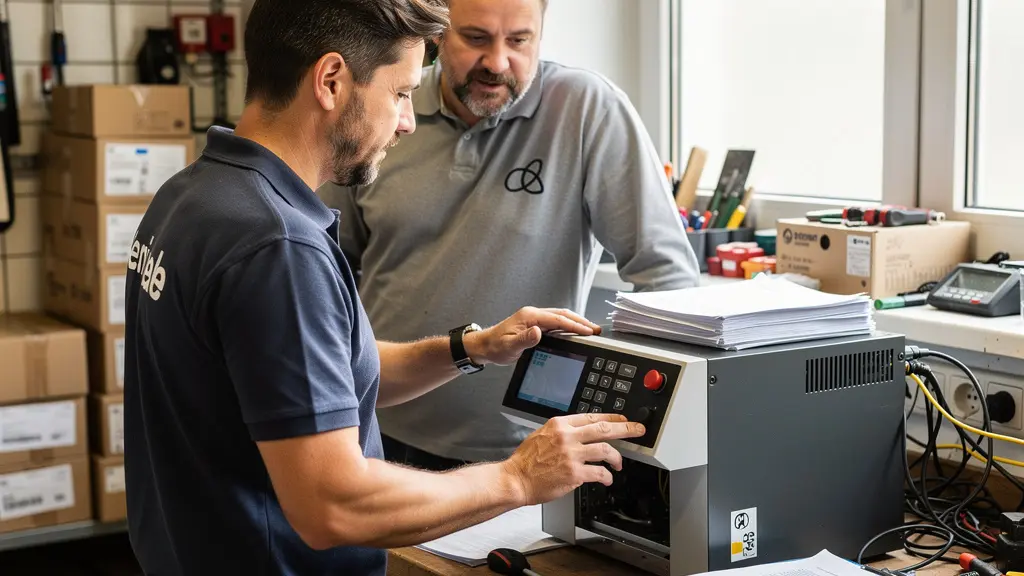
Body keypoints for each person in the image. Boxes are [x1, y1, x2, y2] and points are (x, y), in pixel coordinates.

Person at [122, 1, 646, 574]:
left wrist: (470, 349)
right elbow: (334, 505)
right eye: (399, 93)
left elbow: (321, 380)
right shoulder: (278, 247)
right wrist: (518, 477)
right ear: (330, 81)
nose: (406, 121)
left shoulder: (191, 197)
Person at [319, 0, 701, 469]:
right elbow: (326, 267)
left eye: (519, 41)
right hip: (379, 428)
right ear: (439, 33)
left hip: (530, 449)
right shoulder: (389, 106)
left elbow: (668, 277)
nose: (498, 63)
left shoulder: (586, 109)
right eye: (476, 38)